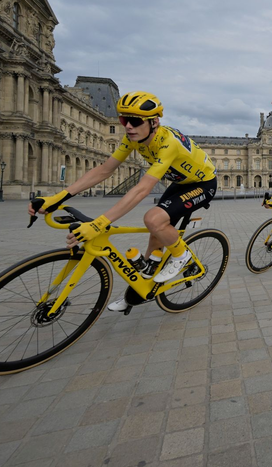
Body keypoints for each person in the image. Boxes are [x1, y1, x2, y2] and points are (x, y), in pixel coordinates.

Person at [29, 92, 217, 312]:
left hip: (203, 183)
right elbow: (104, 170)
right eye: (123, 120)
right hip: (180, 183)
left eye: (135, 121)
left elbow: (141, 190)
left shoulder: (168, 144)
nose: (128, 126)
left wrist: (99, 224)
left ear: (154, 122)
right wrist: (58, 197)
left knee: (153, 219)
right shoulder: (131, 138)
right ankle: (137, 293)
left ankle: (181, 256)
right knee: (153, 240)